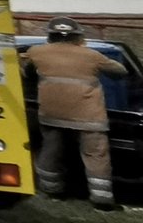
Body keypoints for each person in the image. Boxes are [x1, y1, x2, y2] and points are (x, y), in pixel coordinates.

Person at [22, 16, 129, 210]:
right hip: (88, 116)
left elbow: (27, 73)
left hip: (52, 113)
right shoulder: (92, 55)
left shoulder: (36, 52)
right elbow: (120, 72)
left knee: (51, 150)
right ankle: (101, 198)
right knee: (95, 154)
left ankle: (52, 191)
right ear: (78, 36)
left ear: (50, 36)